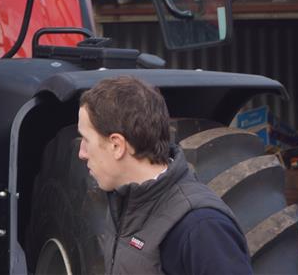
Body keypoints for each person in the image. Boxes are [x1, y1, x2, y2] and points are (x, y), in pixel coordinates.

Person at [77, 75, 252, 275]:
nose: (81, 153)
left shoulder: (201, 227)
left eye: (86, 139)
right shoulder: (124, 205)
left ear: (117, 145)